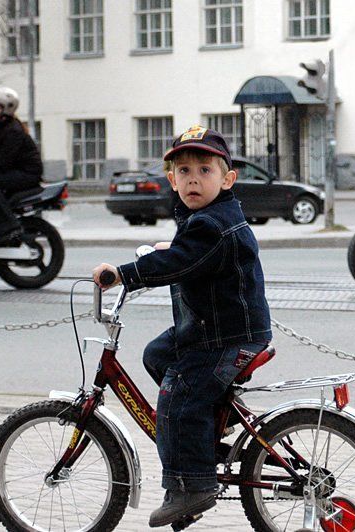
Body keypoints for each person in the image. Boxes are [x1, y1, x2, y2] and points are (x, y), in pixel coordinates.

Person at [92, 126, 272, 528]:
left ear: (227, 179)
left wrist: (122, 274)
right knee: (157, 355)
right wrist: (170, 252)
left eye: (205, 170)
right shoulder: (205, 218)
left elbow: (184, 260)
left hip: (225, 337)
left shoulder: (211, 224)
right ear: (171, 180)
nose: (194, 178)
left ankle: (191, 485)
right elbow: (189, 256)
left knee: (179, 394)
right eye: (184, 170)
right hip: (212, 329)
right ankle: (208, 429)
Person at [0, 87, 43, 244]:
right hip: (18, 171)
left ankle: (9, 225)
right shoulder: (0, 127)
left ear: (6, 110)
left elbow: (3, 163)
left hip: (28, 173)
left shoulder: (12, 131)